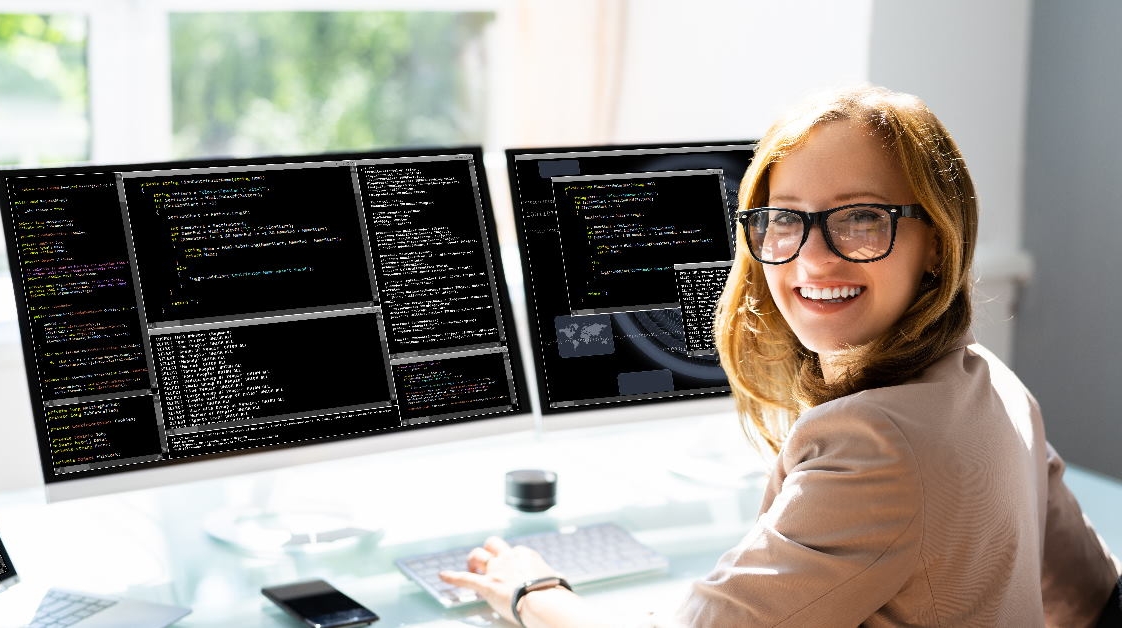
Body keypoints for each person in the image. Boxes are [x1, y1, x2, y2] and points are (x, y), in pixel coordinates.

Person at [439, 84, 1122, 627]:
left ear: (938, 241)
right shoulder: (990, 383)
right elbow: (1090, 598)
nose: (812, 257)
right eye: (786, 217)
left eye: (860, 217)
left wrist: (530, 588)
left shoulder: (875, 446)